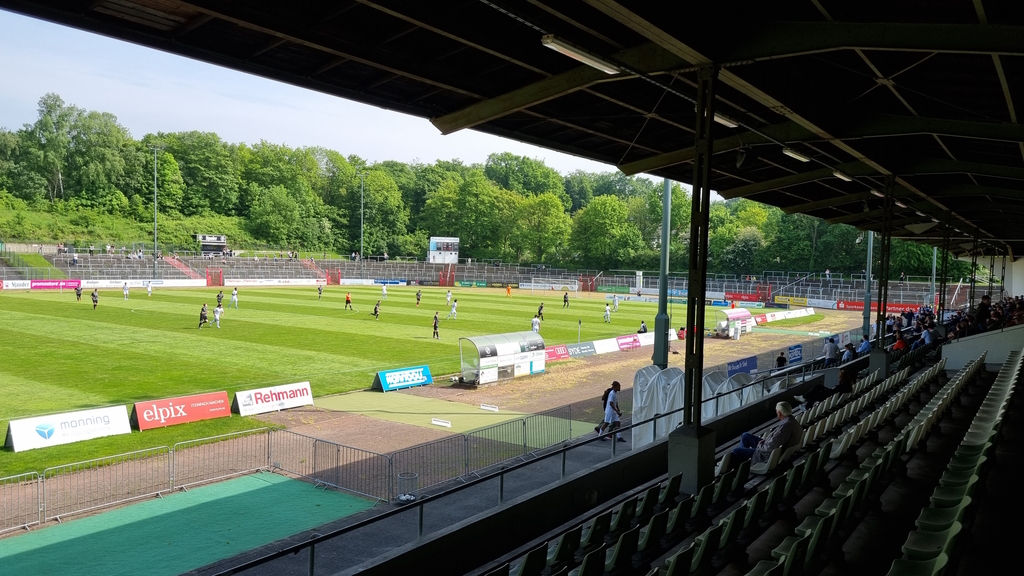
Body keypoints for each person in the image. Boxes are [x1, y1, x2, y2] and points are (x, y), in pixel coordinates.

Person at [729, 402, 801, 467]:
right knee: (745, 436)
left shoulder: (785, 427)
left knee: (736, 451)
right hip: (770, 448)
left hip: (766, 454)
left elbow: (771, 447)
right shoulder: (792, 422)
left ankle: (738, 467)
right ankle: (744, 461)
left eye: (776, 411)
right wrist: (765, 441)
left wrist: (760, 446)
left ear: (779, 413)